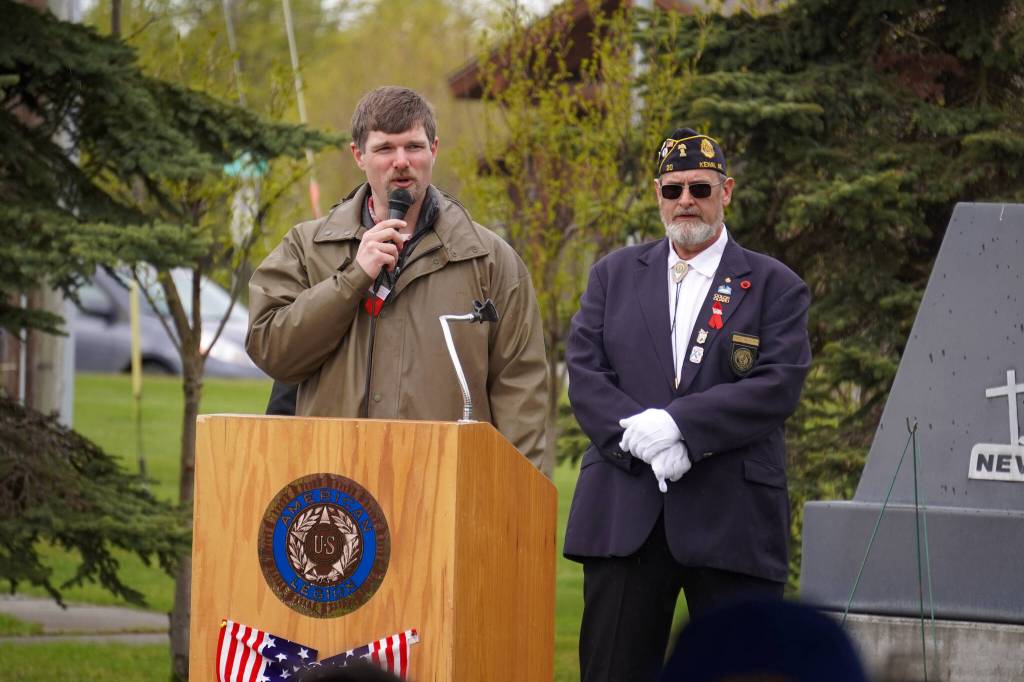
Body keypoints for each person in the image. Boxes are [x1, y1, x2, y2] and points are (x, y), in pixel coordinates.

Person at [563, 128, 812, 681]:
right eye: (672, 189)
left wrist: (680, 427)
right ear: (657, 194)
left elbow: (777, 384)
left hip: (732, 516)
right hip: (626, 511)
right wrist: (642, 443)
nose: (685, 201)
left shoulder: (775, 285)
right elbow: (585, 375)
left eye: (700, 187)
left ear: (727, 190)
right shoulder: (612, 275)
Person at [246, 86, 550, 474]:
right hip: (336, 487)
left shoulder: (490, 260)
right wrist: (353, 278)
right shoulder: (308, 247)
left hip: (444, 485)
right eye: (385, 149)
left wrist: (514, 499)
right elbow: (272, 350)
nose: (401, 162)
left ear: (434, 150)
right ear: (359, 155)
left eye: (414, 147)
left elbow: (520, 389)